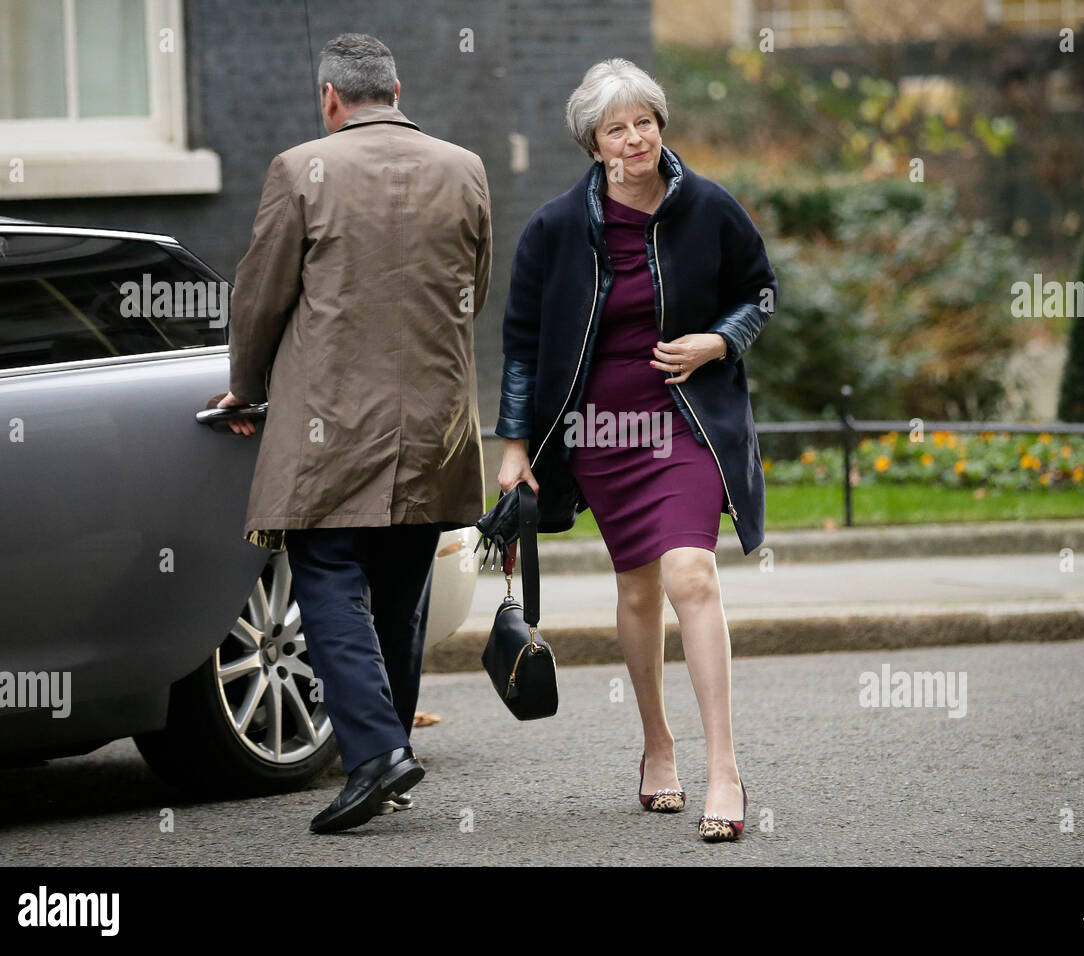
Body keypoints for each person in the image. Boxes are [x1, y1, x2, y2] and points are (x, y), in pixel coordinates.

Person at [494, 58, 776, 842]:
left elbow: (759, 291)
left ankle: (724, 765)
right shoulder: (554, 229)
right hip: (603, 433)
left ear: (660, 125)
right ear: (593, 145)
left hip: (685, 419)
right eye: (615, 128)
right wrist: (513, 445)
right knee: (639, 590)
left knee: (692, 570)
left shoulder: (709, 208)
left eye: (644, 120)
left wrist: (717, 341)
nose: (634, 137)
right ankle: (658, 744)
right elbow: (521, 344)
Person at [218, 33, 491, 834]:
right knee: (401, 593)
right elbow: (472, 286)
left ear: (331, 98)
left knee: (330, 579)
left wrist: (245, 386)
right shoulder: (465, 167)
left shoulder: (301, 168)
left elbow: (261, 297)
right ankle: (392, 755)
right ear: (397, 89)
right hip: (435, 423)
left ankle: (374, 756)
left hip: (329, 422)